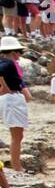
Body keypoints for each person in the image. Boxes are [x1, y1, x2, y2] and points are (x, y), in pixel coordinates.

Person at [0, 36, 30, 172]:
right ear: (13, 52)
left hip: (12, 98)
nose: (19, 56)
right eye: (19, 52)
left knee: (18, 134)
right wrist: (4, 88)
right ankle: (17, 167)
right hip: (12, 98)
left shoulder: (7, 63)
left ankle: (17, 165)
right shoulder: (8, 63)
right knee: (16, 135)